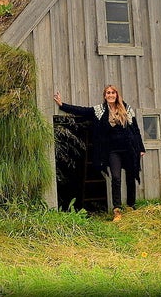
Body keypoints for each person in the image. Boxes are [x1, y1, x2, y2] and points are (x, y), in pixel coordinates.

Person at [53, 85, 146, 221]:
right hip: (112, 151)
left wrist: (141, 148)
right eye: (108, 93)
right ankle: (117, 210)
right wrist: (62, 105)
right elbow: (82, 111)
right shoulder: (100, 110)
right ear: (105, 96)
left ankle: (131, 205)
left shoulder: (127, 109)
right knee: (116, 177)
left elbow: (135, 130)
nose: (111, 95)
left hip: (128, 148)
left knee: (131, 177)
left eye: (113, 93)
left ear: (117, 95)